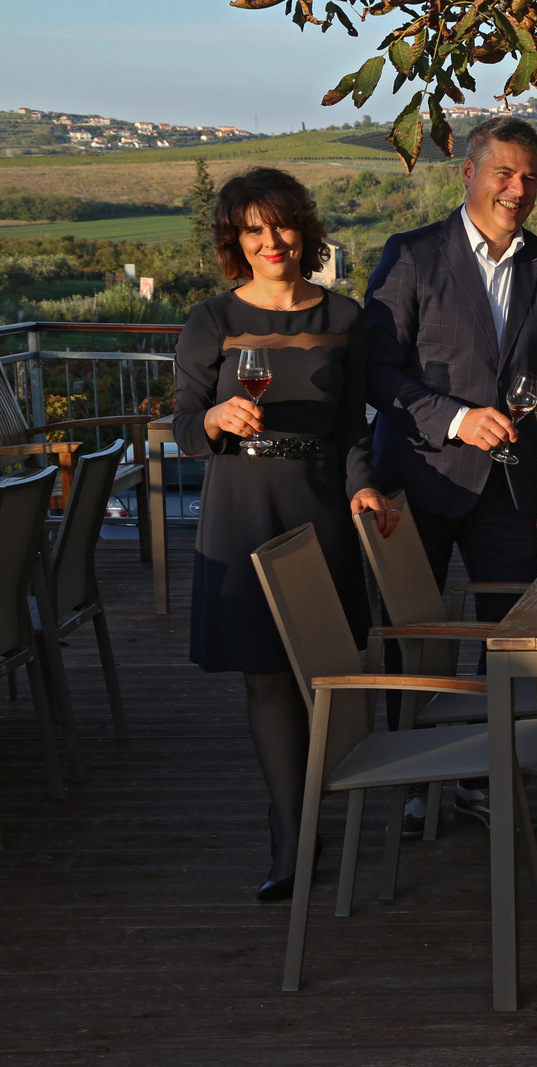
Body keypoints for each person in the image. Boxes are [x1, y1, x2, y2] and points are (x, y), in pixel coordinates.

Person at [365, 115, 537, 830]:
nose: (517, 189)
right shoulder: (412, 255)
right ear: (469, 172)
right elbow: (375, 371)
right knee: (415, 635)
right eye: (504, 172)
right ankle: (414, 780)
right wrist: (455, 419)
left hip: (508, 486)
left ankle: (483, 773)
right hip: (417, 480)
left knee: (511, 635)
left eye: (530, 177)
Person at [173, 166, 396, 901]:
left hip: (320, 507)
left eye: (282, 224)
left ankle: (323, 806)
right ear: (234, 241)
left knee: (322, 673)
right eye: (253, 230)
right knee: (265, 676)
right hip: (242, 509)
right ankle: (292, 837)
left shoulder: (344, 317)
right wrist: (215, 418)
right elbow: (184, 425)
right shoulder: (211, 319)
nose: (271, 241)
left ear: (305, 228)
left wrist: (362, 483)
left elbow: (354, 424)